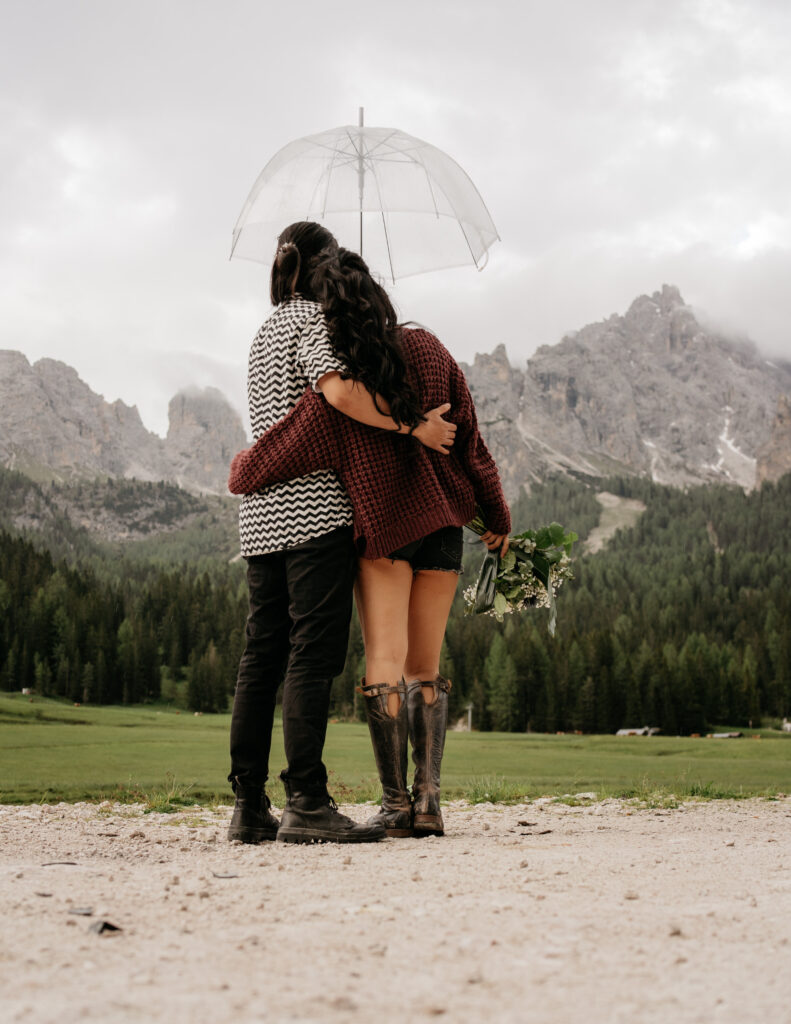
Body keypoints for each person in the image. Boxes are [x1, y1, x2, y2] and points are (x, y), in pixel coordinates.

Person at [229, 232, 510, 839]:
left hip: (317, 525)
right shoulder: (423, 350)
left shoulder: (280, 337)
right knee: (399, 663)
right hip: (365, 521)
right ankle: (413, 801)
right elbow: (469, 443)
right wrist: (496, 518)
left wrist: (246, 468)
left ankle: (262, 805)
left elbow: (302, 429)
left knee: (269, 659)